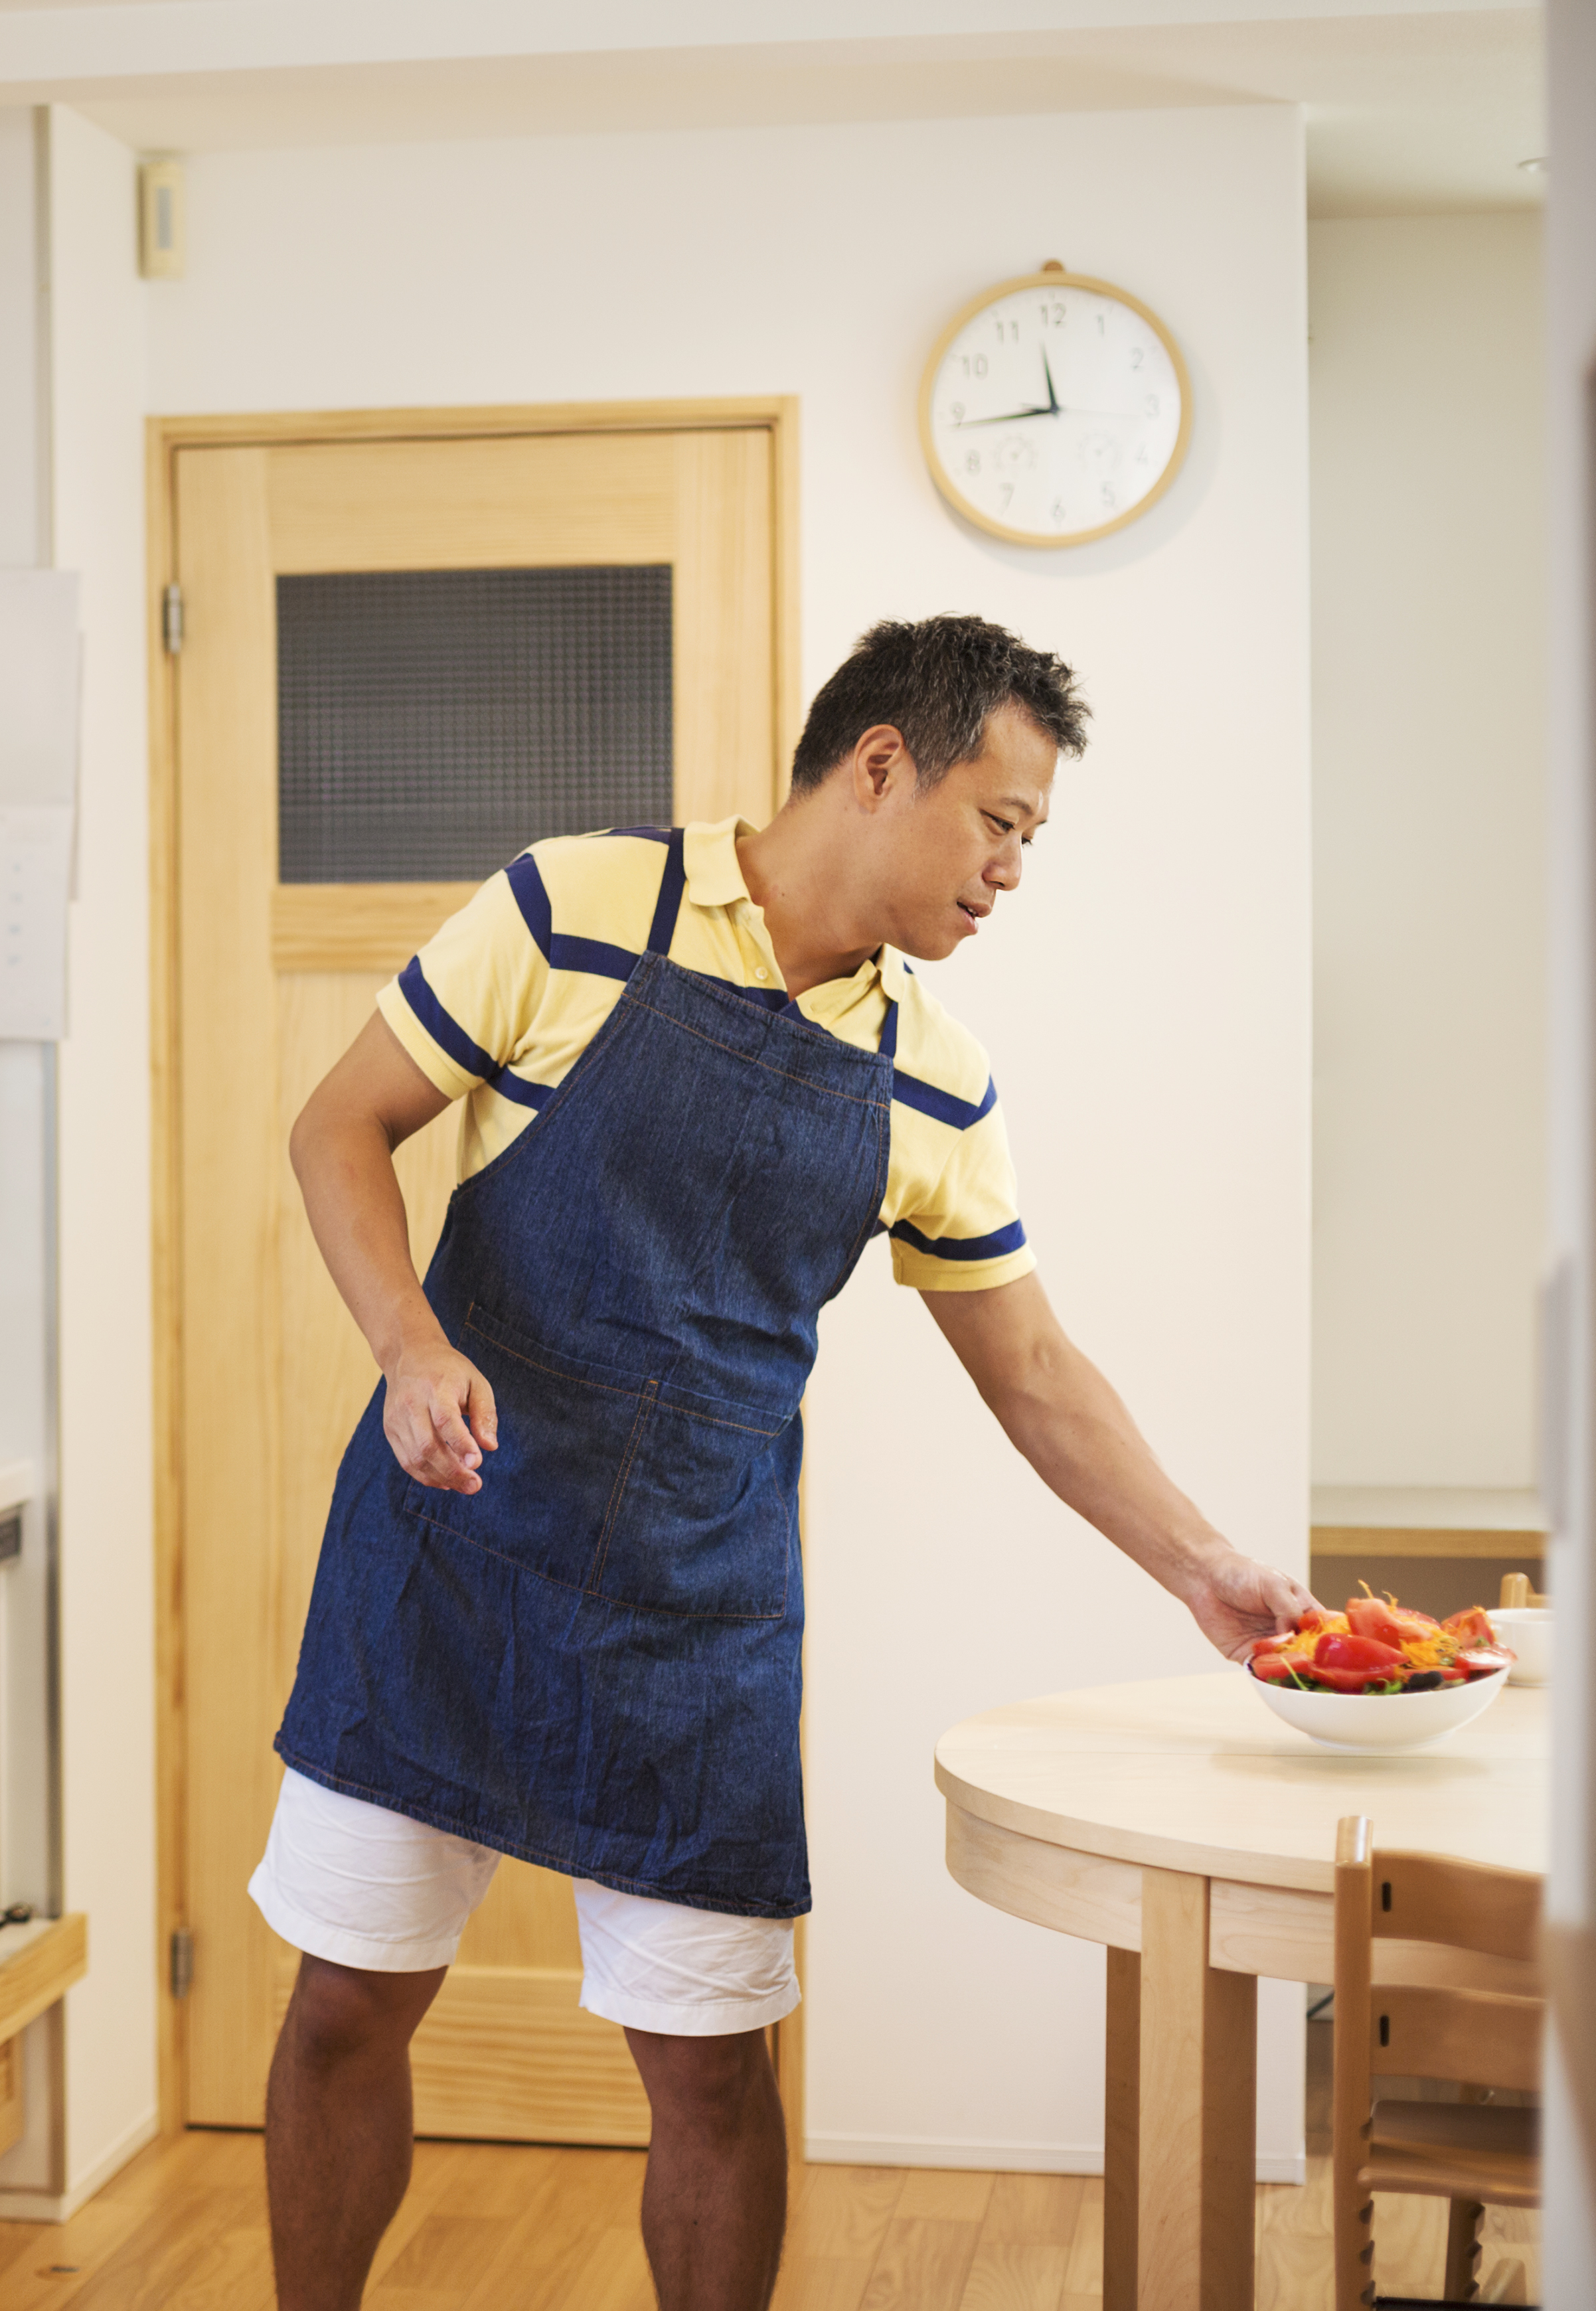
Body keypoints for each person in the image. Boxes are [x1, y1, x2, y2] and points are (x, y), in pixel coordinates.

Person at [256, 616, 1316, 2311]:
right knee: (345, 2003)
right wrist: (407, 1343)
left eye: (1030, 839)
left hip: (698, 1613)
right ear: (884, 762)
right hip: (445, 1557)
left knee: (710, 2071)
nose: (1011, 872)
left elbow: (1031, 1365)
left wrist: (1205, 1566)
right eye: (1003, 820)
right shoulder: (575, 907)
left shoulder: (937, 1086)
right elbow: (338, 1123)